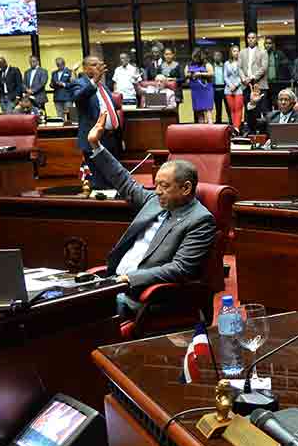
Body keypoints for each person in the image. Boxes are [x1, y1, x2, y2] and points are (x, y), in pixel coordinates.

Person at [82, 109, 216, 317]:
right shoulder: (155, 200)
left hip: (138, 296)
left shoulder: (200, 220)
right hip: (112, 284)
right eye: (156, 185)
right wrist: (95, 145)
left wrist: (130, 278)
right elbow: (123, 180)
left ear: (186, 188)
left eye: (164, 186)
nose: (157, 191)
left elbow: (180, 268)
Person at [69, 55, 122, 190]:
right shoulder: (79, 83)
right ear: (85, 68)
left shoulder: (103, 86)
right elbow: (78, 97)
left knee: (114, 177)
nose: (97, 66)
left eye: (99, 64)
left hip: (111, 137)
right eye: (93, 64)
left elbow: (110, 109)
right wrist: (93, 81)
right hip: (94, 139)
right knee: (99, 180)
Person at [239, 31, 268, 131]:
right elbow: (239, 68)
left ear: (256, 40)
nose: (251, 40)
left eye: (253, 38)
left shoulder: (263, 52)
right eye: (249, 38)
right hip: (246, 85)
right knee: (249, 110)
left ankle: (262, 133)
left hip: (259, 85)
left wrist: (252, 77)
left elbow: (264, 68)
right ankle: (250, 133)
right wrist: (243, 79)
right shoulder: (242, 52)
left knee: (261, 110)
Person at [187, 49, 214, 124]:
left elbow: (211, 73)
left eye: (196, 57)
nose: (194, 59)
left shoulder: (207, 64)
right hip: (196, 90)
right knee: (199, 111)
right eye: (193, 57)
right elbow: (186, 74)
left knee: (208, 110)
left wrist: (200, 74)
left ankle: (211, 128)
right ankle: (201, 129)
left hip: (206, 89)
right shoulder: (190, 64)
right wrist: (190, 75)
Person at [263, 36, 289, 108]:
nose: (268, 45)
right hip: (265, 83)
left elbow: (286, 65)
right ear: (264, 45)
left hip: (276, 83)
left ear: (273, 44)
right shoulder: (261, 54)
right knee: (266, 104)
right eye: (266, 43)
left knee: (277, 103)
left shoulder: (279, 54)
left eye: (270, 43)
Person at [223, 45, 244, 129]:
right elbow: (225, 77)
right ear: (231, 53)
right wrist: (230, 85)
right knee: (232, 110)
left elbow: (242, 76)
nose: (236, 53)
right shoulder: (226, 63)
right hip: (228, 90)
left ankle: (237, 128)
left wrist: (235, 85)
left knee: (238, 110)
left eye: (237, 51)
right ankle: (234, 128)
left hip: (238, 89)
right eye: (234, 51)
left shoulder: (241, 62)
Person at [211, 50, 226, 124]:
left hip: (225, 89)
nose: (217, 57)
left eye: (219, 55)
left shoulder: (225, 65)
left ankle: (231, 123)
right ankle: (218, 123)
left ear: (221, 57)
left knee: (228, 108)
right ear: (213, 57)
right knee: (218, 108)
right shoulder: (211, 66)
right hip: (215, 89)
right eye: (215, 55)